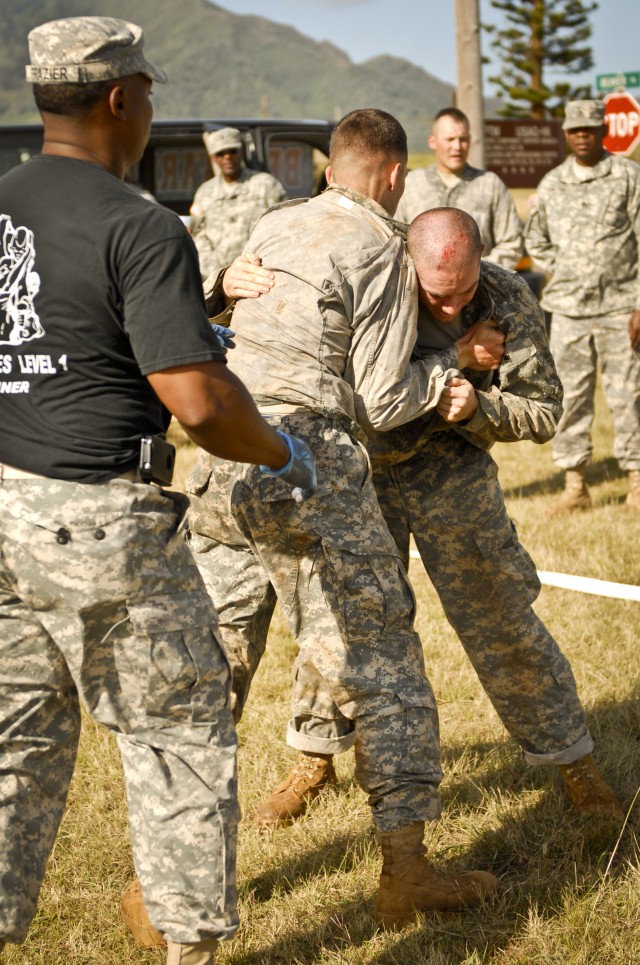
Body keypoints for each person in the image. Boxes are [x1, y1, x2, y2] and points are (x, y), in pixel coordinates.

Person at [0, 17, 316, 965]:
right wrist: (277, 449)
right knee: (178, 735)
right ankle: (190, 952)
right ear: (120, 98)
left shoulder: (5, 205)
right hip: (105, 523)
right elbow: (196, 399)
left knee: (13, 750)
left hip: (7, 505)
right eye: (149, 92)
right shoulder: (138, 221)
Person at [187, 109, 504, 930]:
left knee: (212, 655)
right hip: (304, 457)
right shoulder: (382, 249)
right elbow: (386, 400)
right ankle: (406, 873)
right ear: (395, 177)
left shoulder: (273, 221)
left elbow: (230, 322)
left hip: (221, 452)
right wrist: (450, 372)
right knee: (384, 651)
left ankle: (173, 883)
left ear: (331, 166)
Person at [253, 207, 623, 836]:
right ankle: (314, 758)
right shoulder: (373, 282)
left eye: (464, 293)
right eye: (436, 296)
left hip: (450, 470)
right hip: (361, 472)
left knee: (501, 614)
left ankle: (573, 763)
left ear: (481, 260)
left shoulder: (506, 296)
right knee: (335, 620)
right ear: (408, 261)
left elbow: (543, 412)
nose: (452, 309)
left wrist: (480, 407)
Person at [525, 99, 640, 513]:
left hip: (620, 308)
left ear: (603, 131)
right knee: (571, 396)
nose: (582, 136)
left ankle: (636, 484)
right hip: (570, 310)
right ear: (566, 134)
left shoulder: (629, 177)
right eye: (575, 130)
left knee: (628, 395)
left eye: (589, 129)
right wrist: (567, 266)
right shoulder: (553, 184)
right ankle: (575, 486)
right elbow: (535, 237)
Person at [396, 107, 524, 270]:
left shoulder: (490, 185)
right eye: (450, 139)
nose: (457, 146)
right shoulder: (411, 184)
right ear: (432, 141)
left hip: (480, 289)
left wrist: (475, 271)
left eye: (463, 139)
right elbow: (396, 242)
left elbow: (511, 243)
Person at [189, 126, 287, 280]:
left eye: (232, 151)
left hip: (260, 276)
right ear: (214, 158)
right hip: (217, 280)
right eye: (220, 153)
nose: (227, 157)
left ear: (240, 152)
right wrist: (217, 273)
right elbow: (198, 235)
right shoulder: (205, 193)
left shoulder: (266, 185)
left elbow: (283, 229)